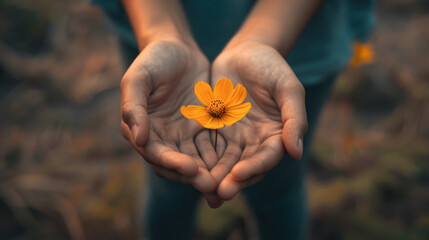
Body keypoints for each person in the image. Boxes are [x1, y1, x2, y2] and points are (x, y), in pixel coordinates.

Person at [91, 0, 375, 239]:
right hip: (149, 19)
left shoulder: (230, 106)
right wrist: (160, 32)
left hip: (299, 37)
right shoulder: (200, 106)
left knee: (278, 187)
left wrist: (262, 38)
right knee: (169, 184)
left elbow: (233, 103)